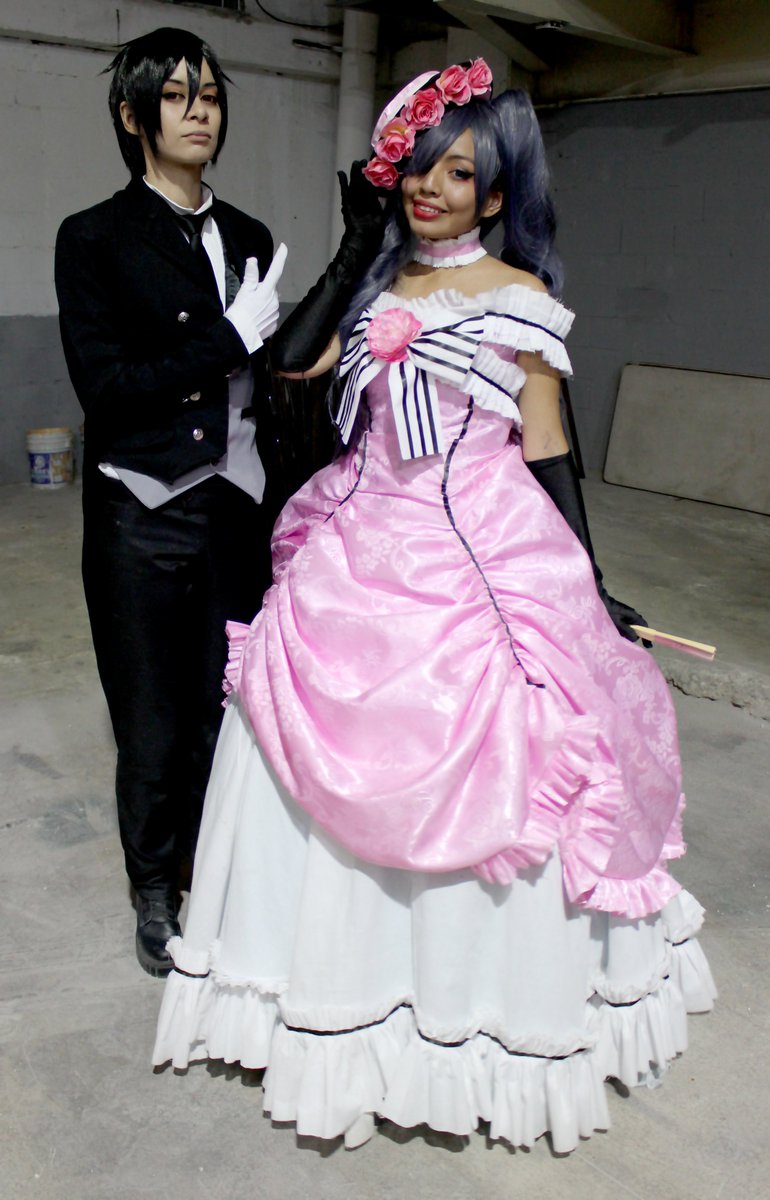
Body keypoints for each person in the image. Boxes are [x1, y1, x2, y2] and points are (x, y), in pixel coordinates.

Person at [152, 61, 715, 1152]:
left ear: (494, 194)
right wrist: (356, 247)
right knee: (284, 740)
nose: (431, 188)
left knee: (526, 730)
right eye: (418, 166)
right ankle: (329, 988)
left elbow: (545, 448)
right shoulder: (375, 289)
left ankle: (467, 1009)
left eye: (458, 174)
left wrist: (589, 583)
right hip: (353, 541)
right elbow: (290, 364)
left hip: (477, 545)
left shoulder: (520, 299)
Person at [54, 27, 287, 977]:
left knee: (224, 707)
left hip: (237, 505)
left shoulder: (251, 237)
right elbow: (108, 390)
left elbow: (277, 373)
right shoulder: (94, 238)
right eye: (179, 95)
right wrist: (229, 337)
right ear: (133, 115)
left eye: (212, 95)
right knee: (149, 716)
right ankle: (154, 890)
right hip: (140, 512)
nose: (200, 112)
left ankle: (213, 871)